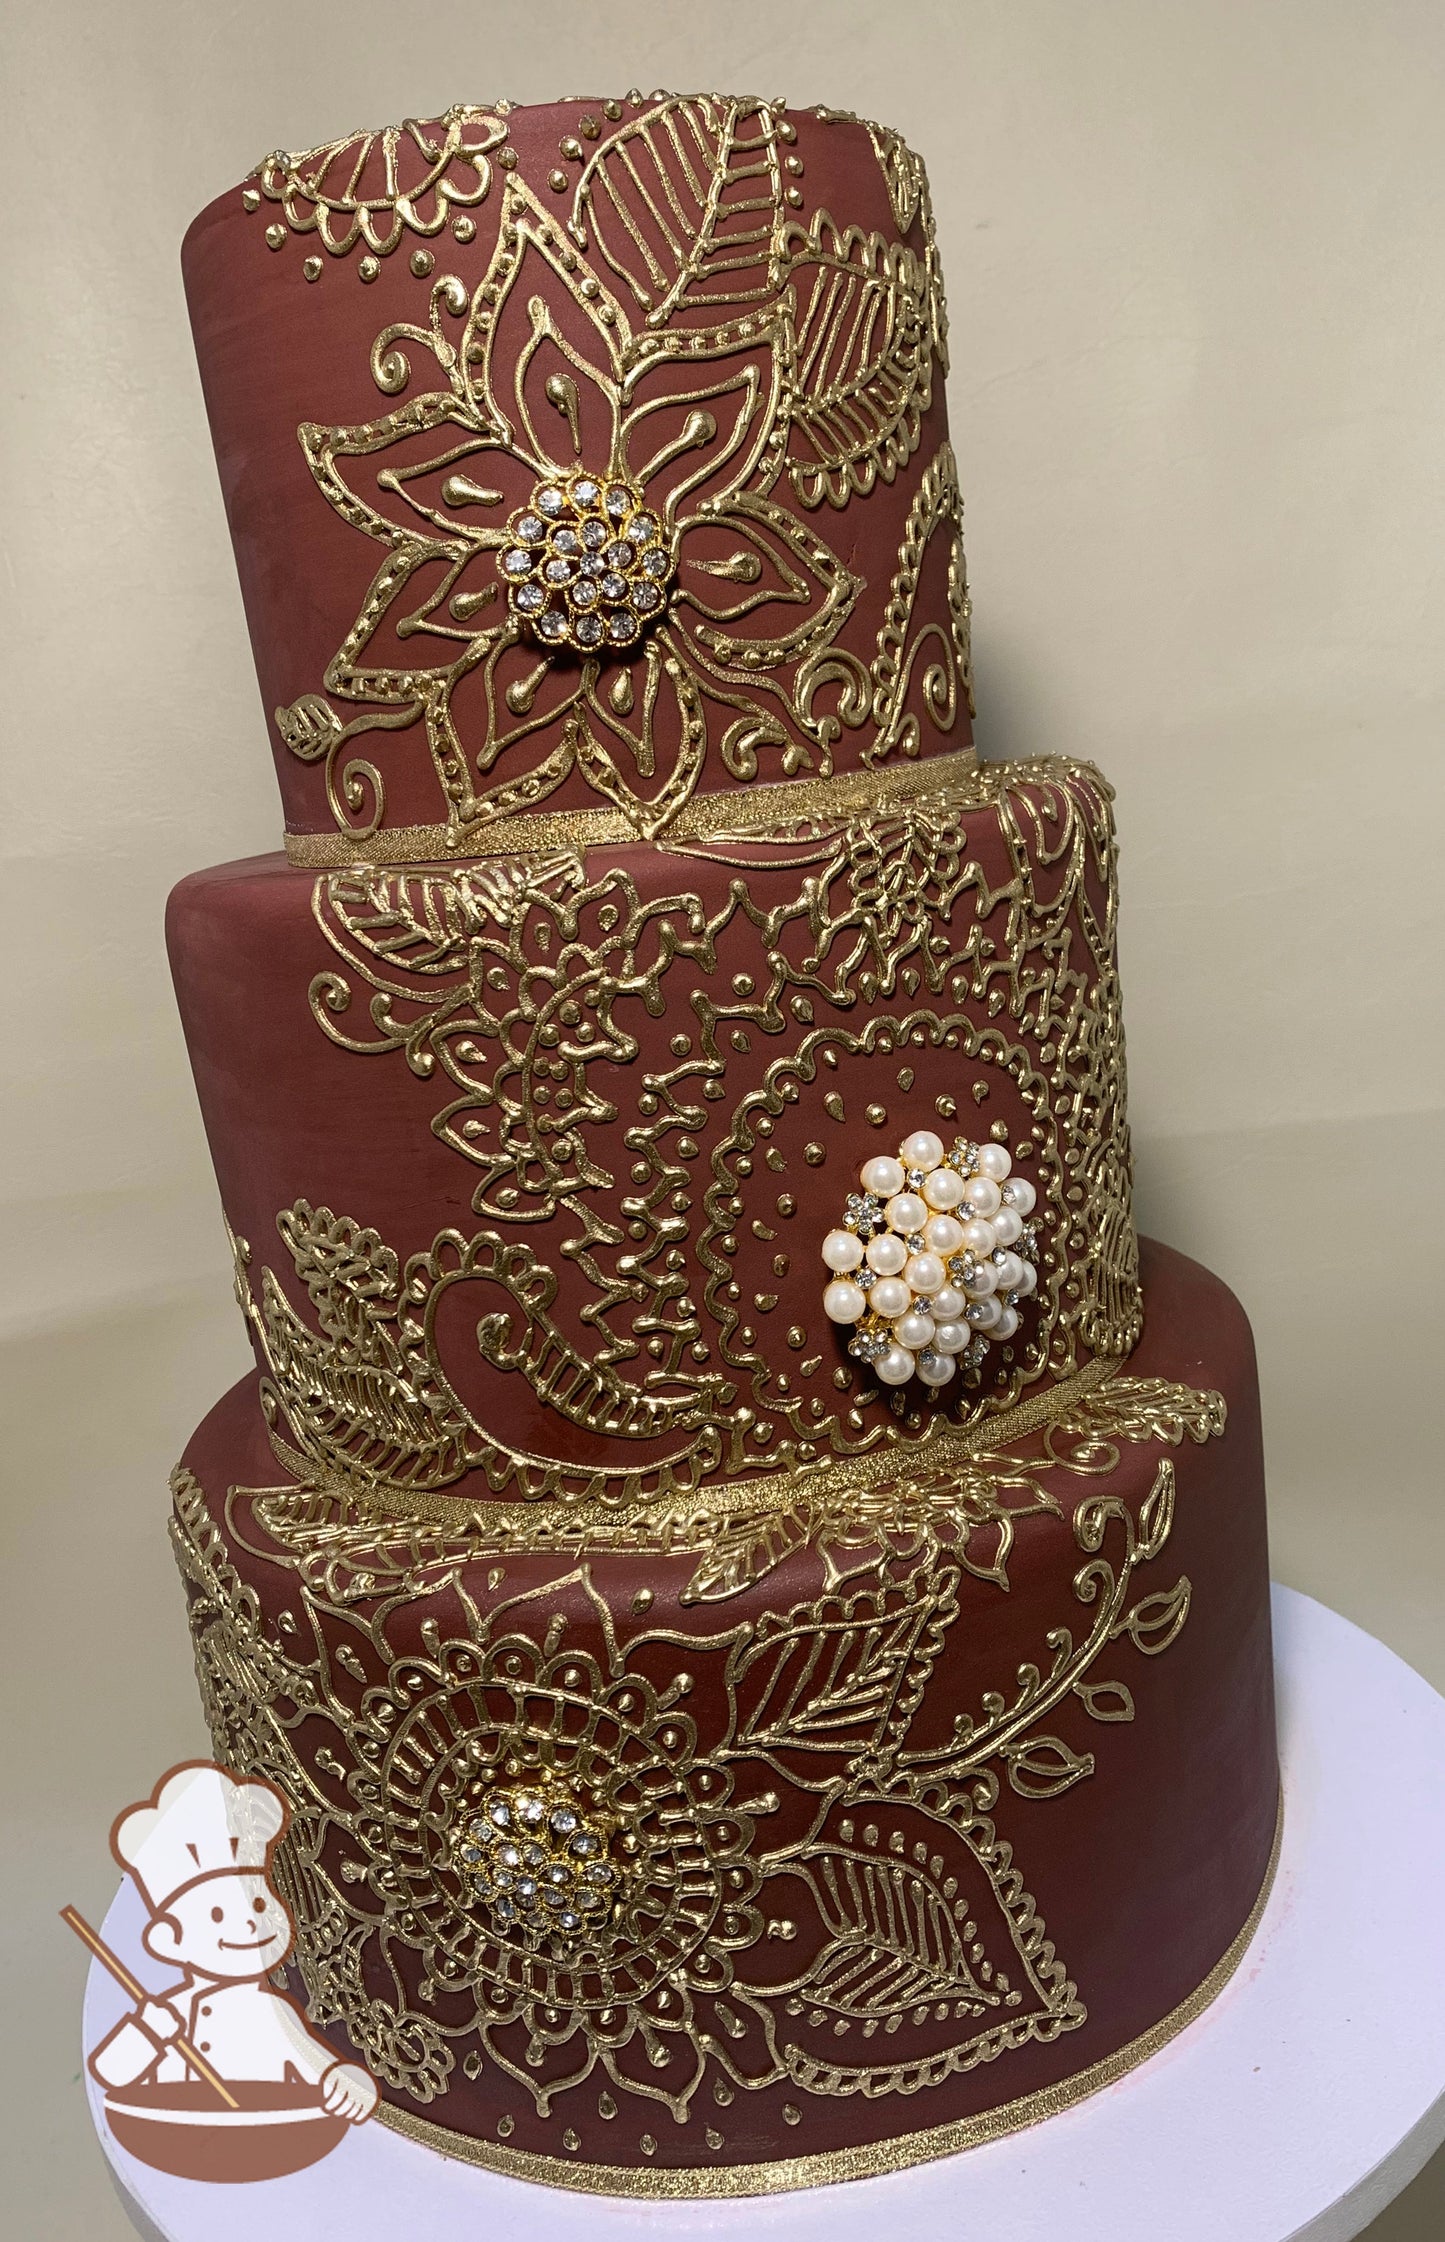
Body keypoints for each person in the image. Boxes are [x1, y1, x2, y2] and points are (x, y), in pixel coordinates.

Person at [88, 1761, 376, 2121]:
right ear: (170, 1941)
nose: (239, 1924)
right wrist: (147, 2030)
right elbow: (111, 2070)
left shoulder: (278, 2013)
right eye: (214, 1917)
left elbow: (319, 2075)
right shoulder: (175, 2011)